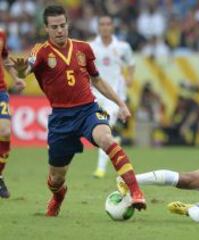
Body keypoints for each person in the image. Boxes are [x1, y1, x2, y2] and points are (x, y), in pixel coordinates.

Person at [10, 5, 145, 215]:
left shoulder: (83, 48)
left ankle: (136, 192)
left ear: (68, 24)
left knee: (107, 139)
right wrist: (20, 71)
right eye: (54, 27)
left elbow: (97, 80)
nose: (60, 30)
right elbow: (27, 68)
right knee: (56, 178)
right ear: (46, 28)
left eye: (62, 25)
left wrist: (121, 103)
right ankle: (58, 196)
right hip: (61, 119)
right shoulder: (41, 51)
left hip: (88, 111)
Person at [90, 15, 135, 178]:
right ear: (98, 27)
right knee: (100, 133)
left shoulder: (123, 47)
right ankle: (115, 141)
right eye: (102, 24)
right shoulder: (90, 47)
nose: (105, 27)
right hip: (93, 95)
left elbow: (131, 64)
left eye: (108, 24)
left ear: (112, 27)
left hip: (114, 97)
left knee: (104, 128)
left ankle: (100, 168)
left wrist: (129, 77)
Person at [0, 28, 26, 198]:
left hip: (0, 91)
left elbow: (4, 57)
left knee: (5, 131)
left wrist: (16, 77)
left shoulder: (1, 33)